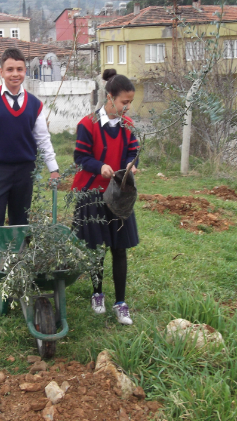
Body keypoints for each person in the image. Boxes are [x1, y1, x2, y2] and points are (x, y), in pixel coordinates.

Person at [0, 47, 60, 295]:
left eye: (19, 69)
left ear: (25, 72)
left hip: (25, 172)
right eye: (10, 69)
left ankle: (17, 269)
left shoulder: (35, 104)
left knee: (21, 222)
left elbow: (43, 138)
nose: (15, 74)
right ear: (1, 72)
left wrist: (53, 168)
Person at [70, 69, 140, 325]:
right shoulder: (87, 124)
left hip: (119, 196)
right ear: (110, 97)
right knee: (97, 248)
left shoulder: (128, 126)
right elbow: (80, 157)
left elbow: (133, 153)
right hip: (93, 194)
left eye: (130, 102)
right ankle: (97, 293)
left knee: (119, 249)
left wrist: (131, 166)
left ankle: (120, 302)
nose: (127, 107)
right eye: (124, 102)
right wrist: (99, 167)